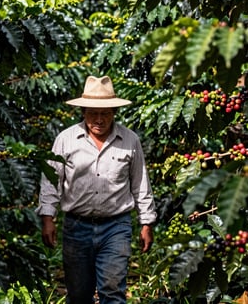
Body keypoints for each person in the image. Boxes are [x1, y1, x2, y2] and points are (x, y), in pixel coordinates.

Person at [36, 75, 157, 304]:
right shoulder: (66, 140)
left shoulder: (130, 140)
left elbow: (140, 182)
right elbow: (51, 180)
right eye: (93, 113)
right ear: (83, 111)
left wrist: (146, 222)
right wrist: (47, 217)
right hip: (76, 225)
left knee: (112, 291)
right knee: (79, 294)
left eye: (105, 113)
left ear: (114, 112)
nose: (99, 119)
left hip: (116, 226)